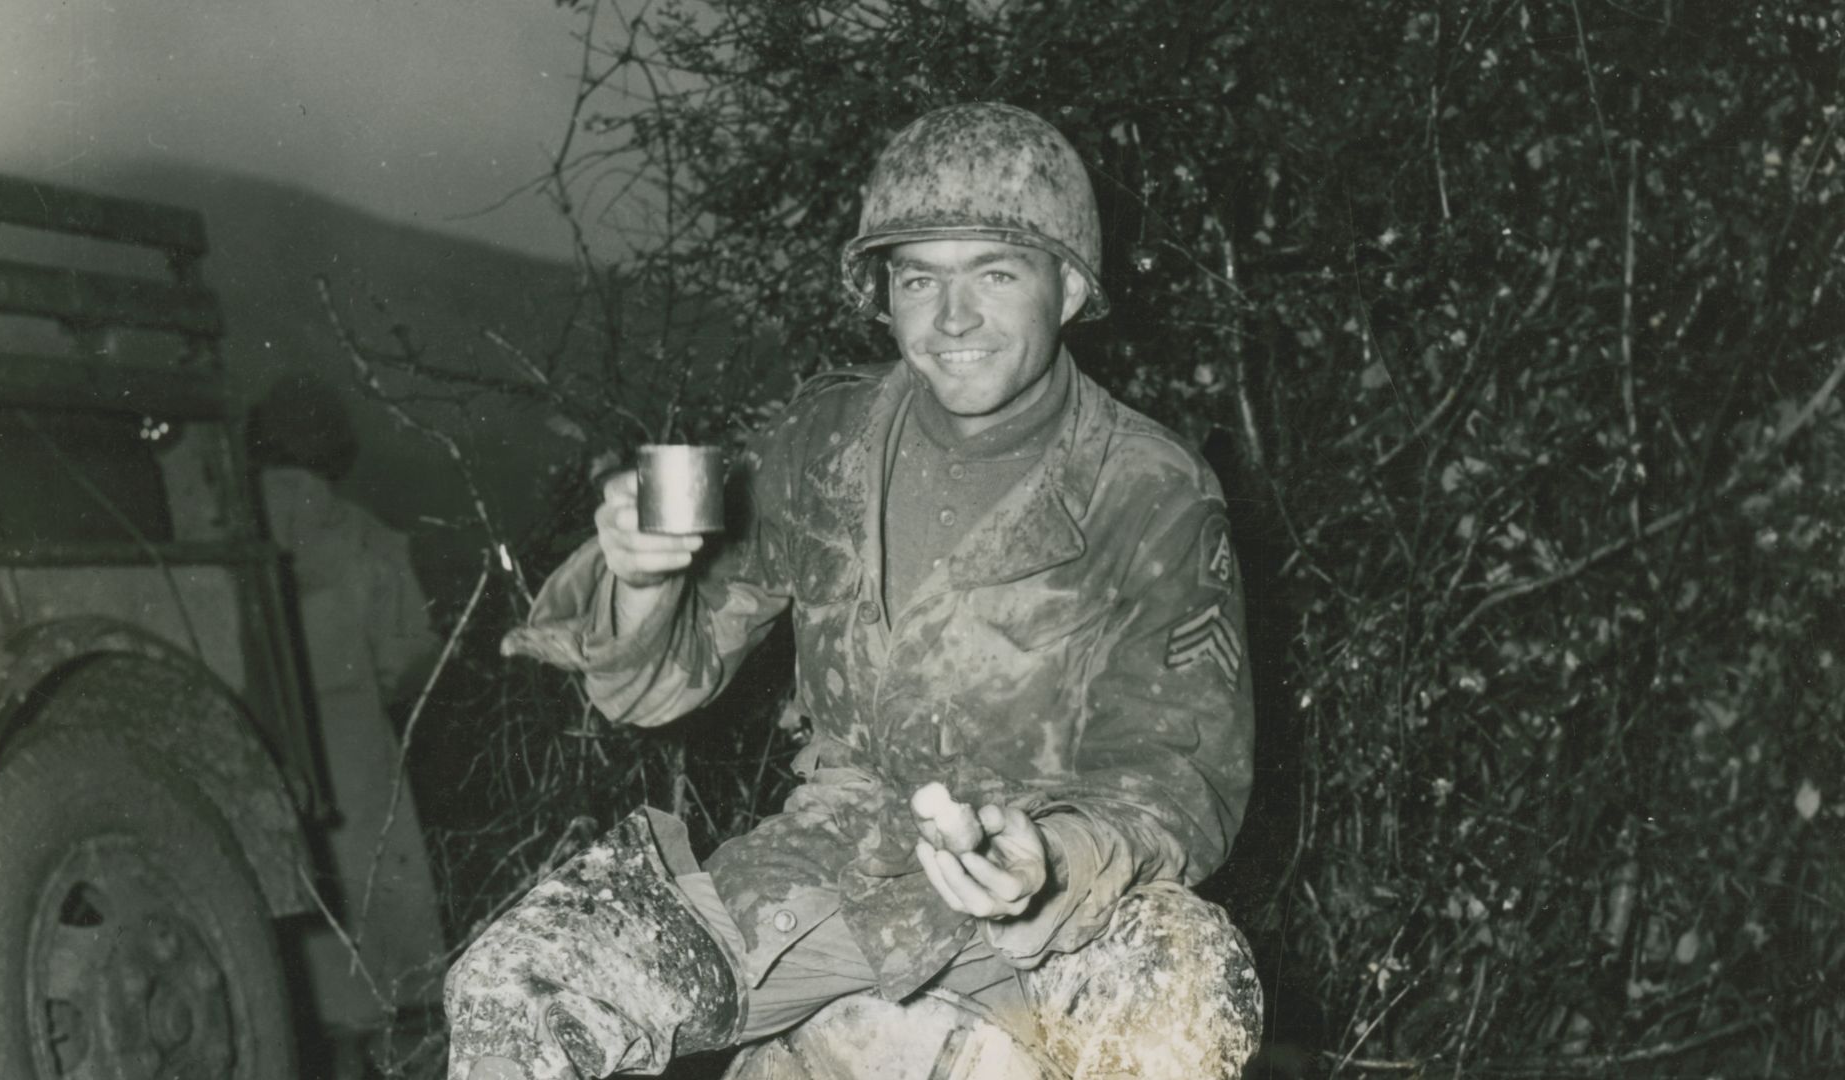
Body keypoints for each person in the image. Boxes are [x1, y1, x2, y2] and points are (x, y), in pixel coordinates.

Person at [452, 102, 1260, 1080]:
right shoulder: (824, 440)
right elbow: (659, 684)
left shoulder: (1152, 489)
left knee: (1189, 990)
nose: (952, 319)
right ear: (885, 292)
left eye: (995, 275)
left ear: (1072, 285)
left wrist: (1054, 854)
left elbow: (1180, 779)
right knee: (521, 981)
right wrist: (642, 584)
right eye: (920, 278)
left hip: (1049, 911)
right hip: (828, 872)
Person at [247, 373, 448, 1069]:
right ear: (338, 451)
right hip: (358, 760)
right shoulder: (366, 539)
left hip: (263, 759)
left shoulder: (224, 536)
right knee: (394, 966)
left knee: (308, 965)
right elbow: (409, 659)